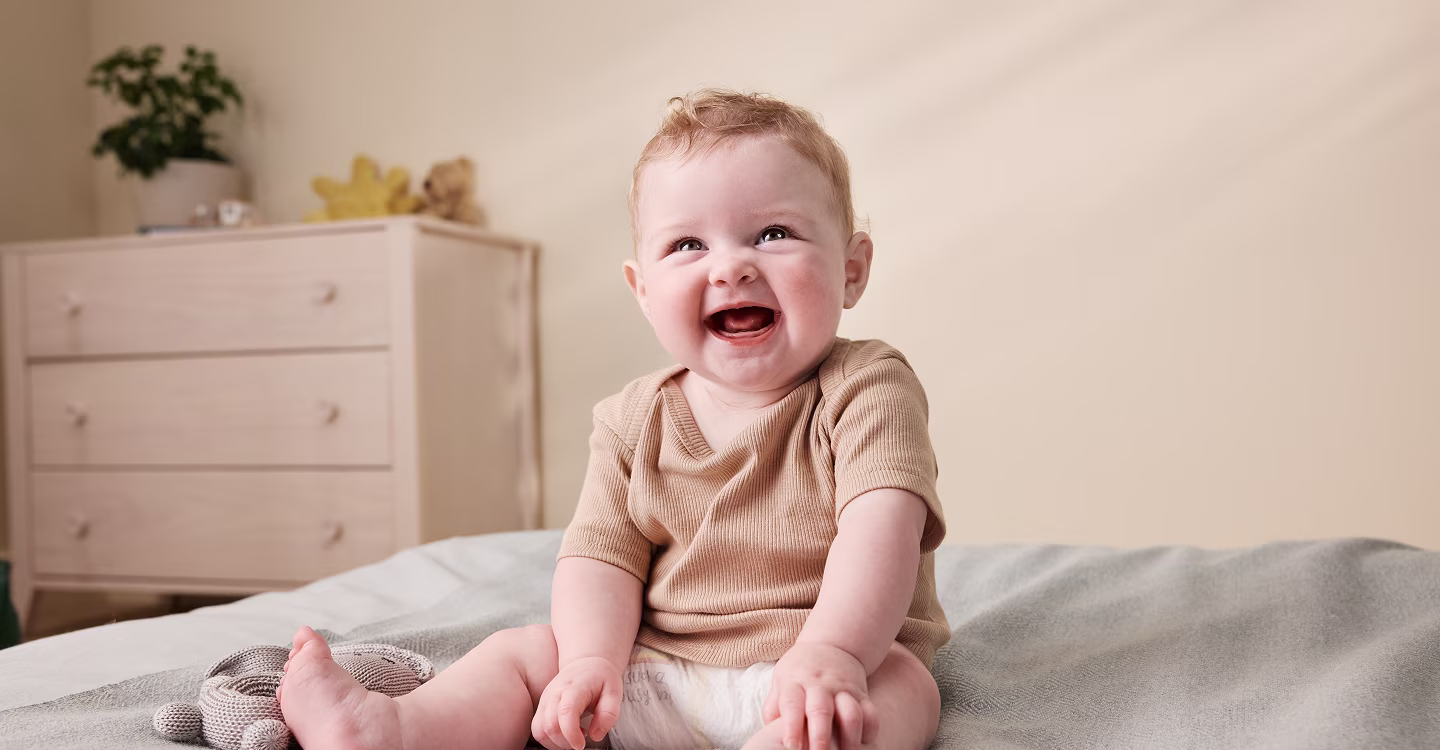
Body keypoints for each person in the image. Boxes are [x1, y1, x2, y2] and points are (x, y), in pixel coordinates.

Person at [276, 88, 950, 750]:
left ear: (852, 270)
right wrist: (591, 664)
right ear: (644, 292)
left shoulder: (866, 385)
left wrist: (833, 652)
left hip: (814, 682)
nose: (731, 267)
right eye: (688, 244)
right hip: (654, 675)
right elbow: (600, 557)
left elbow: (882, 525)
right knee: (525, 655)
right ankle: (391, 731)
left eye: (773, 233)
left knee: (905, 687)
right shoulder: (633, 418)